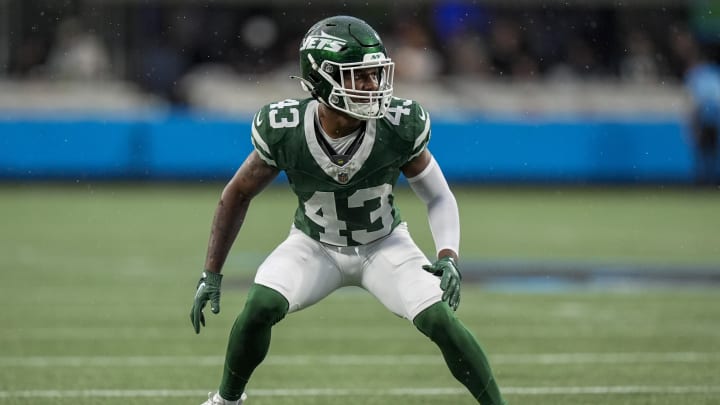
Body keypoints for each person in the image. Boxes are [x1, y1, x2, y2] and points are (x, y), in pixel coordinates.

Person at [190, 15, 507, 405]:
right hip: (314, 245)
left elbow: (438, 196)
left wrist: (449, 255)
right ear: (321, 79)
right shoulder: (287, 128)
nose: (373, 86)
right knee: (260, 305)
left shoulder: (397, 125)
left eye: (375, 74)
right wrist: (212, 273)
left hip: (384, 244)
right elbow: (236, 194)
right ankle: (227, 400)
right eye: (359, 76)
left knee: (440, 319)